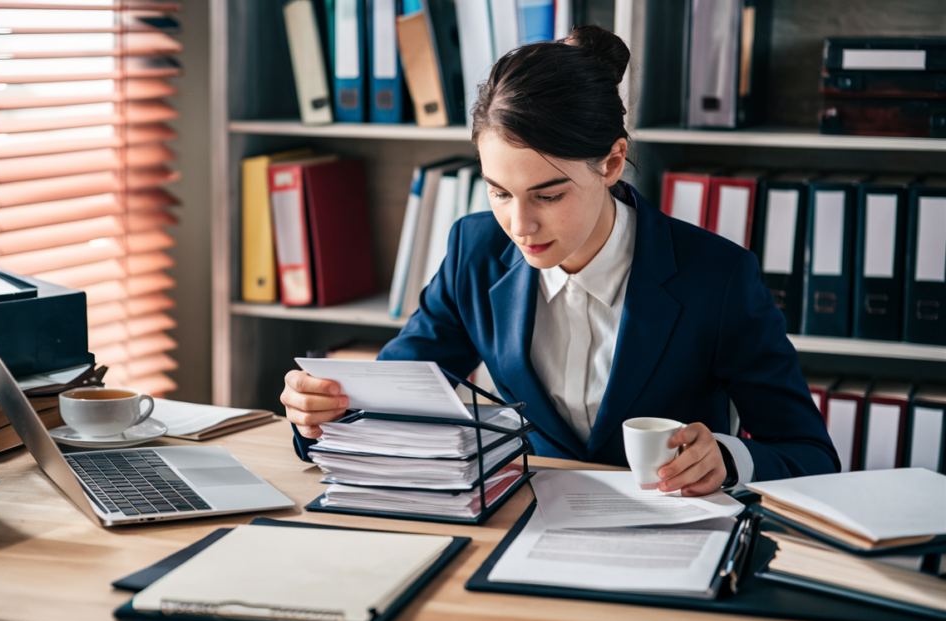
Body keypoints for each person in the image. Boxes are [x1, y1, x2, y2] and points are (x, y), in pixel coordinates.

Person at [281, 26, 840, 496]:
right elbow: (390, 403)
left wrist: (727, 459)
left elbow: (811, 454)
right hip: (525, 518)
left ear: (612, 162)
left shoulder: (716, 279)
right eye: (499, 192)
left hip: (670, 534)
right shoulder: (475, 253)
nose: (520, 226)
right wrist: (320, 417)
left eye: (548, 195)